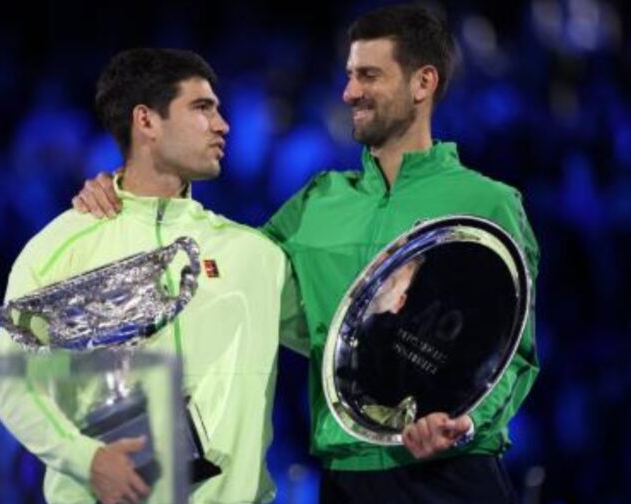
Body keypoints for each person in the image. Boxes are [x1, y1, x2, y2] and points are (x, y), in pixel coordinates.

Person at [73, 5, 540, 503]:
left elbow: (514, 352)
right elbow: (221, 269)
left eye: (369, 75)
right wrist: (130, 194)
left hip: (454, 475)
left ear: (423, 83)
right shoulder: (317, 201)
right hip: (346, 478)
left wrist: (466, 422)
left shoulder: (487, 203)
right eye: (348, 75)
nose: (349, 92)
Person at [0, 48, 303, 504]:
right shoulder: (59, 248)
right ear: (146, 121)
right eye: (202, 108)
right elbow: (14, 386)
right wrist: (89, 460)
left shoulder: (256, 254)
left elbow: (338, 347)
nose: (223, 124)